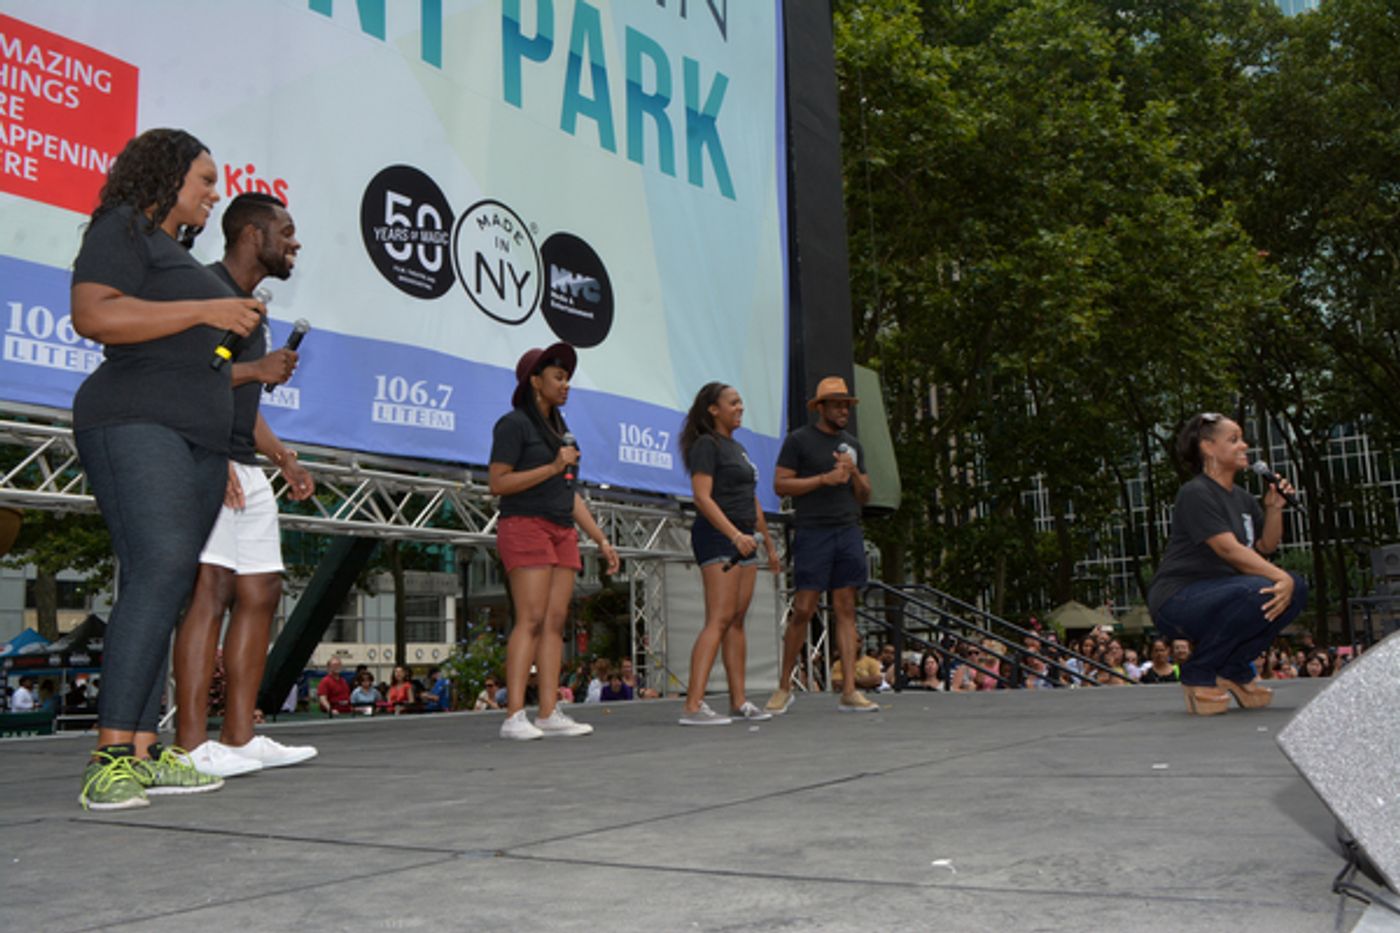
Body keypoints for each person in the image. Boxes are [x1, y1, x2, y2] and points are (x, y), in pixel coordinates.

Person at [71, 129, 264, 809]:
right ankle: (110, 756)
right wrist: (209, 308)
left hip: (201, 441)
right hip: (132, 420)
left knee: (171, 583)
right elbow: (93, 314)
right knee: (156, 571)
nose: (215, 193)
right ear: (168, 172)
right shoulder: (121, 227)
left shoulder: (174, 253)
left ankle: (145, 753)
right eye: (206, 179)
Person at [172, 192, 317, 776]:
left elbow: (239, 396)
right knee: (210, 592)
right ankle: (189, 744)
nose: (295, 242)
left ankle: (238, 736)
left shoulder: (254, 308)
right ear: (252, 234)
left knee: (262, 593)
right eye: (286, 231)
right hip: (204, 457)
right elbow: (182, 379)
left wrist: (282, 456)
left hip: (246, 464)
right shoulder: (201, 288)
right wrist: (258, 369)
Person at [489, 343, 620, 739]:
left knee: (556, 621)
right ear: (534, 381)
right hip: (525, 524)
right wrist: (551, 465)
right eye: (558, 378)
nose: (565, 385)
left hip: (562, 529)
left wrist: (600, 538)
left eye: (567, 379)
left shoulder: (563, 431)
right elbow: (498, 483)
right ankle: (514, 715)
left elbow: (570, 492)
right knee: (529, 618)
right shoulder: (513, 425)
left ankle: (548, 710)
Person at [1148, 412, 1308, 715]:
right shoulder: (1196, 493)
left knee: (1296, 588)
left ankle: (1233, 668)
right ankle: (1199, 672)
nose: (1244, 445)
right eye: (1233, 439)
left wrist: (1274, 510)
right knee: (1264, 588)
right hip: (1179, 597)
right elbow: (1229, 550)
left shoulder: (1244, 499)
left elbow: (1264, 547)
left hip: (1228, 593)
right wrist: (1278, 577)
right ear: (1208, 447)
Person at [764, 377, 877, 715]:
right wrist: (823, 480)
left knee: (846, 608)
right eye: (838, 404)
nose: (844, 410)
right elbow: (780, 484)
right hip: (813, 531)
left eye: (847, 405)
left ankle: (850, 691)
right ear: (821, 407)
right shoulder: (799, 440)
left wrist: (853, 473)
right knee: (803, 608)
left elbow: (866, 494)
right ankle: (784, 686)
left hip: (848, 529)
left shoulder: (852, 444)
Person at [677, 382, 780, 726]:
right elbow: (701, 497)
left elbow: (751, 500)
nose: (740, 407)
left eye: (741, 402)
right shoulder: (707, 445)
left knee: (736, 621)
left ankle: (740, 702)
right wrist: (734, 535)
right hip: (719, 537)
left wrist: (767, 541)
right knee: (719, 619)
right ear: (713, 409)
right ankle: (693, 706)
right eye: (733, 403)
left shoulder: (737, 448)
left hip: (745, 539)